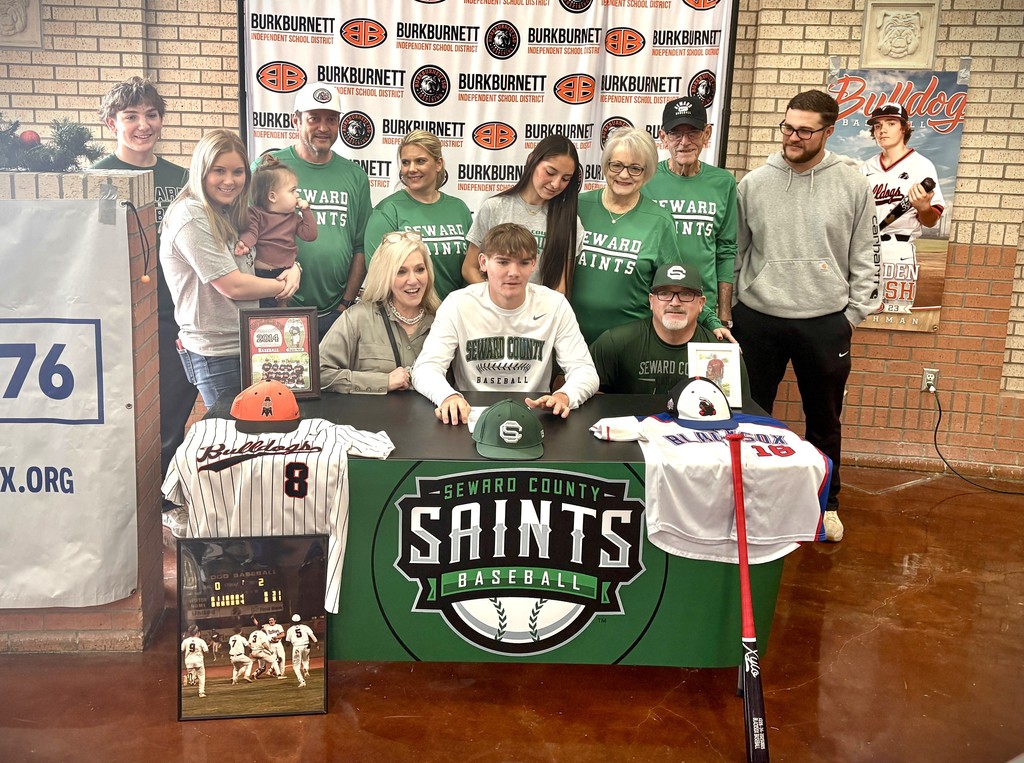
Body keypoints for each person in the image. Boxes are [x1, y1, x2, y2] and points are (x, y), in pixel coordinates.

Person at [732, 89, 880, 543]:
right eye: (787, 127)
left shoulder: (852, 184)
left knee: (824, 420)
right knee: (751, 417)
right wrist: (734, 307)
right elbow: (735, 253)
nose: (792, 137)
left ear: (828, 131)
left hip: (825, 321)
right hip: (758, 318)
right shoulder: (754, 184)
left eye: (804, 131)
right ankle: (749, 501)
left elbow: (865, 254)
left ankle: (825, 505)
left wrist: (851, 315)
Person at [91, 76, 197, 528]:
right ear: (111, 123)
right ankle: (120, 500)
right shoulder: (98, 177)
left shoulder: (181, 179)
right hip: (121, 315)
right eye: (131, 116)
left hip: (175, 313)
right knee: (122, 410)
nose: (143, 125)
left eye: (151, 115)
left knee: (173, 406)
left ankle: (161, 496)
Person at [160, 130, 301, 408]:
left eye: (237, 172)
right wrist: (284, 284)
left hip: (250, 342)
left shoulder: (228, 211)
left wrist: (294, 267)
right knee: (231, 429)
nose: (229, 181)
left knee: (260, 426)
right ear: (201, 170)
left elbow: (265, 257)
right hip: (217, 352)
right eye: (219, 171)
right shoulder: (191, 215)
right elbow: (234, 286)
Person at [414, 223, 598, 425]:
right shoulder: (457, 304)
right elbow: (426, 368)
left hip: (534, 414)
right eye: (503, 262)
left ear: (534, 264)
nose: (513, 272)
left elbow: (584, 371)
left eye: (523, 263)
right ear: (483, 262)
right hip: (470, 413)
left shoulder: (555, 305)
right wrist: (448, 396)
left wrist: (564, 396)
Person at [573, 127, 731, 346]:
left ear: (647, 173)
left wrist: (712, 321)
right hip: (572, 341)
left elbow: (676, 282)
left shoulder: (660, 221)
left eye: (635, 168)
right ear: (605, 165)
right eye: (616, 165)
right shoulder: (578, 206)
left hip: (630, 345)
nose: (624, 174)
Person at [267, 83, 372, 338]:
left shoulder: (355, 176)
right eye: (314, 118)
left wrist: (345, 303)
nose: (323, 128)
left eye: (331, 119)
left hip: (335, 312)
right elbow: (249, 230)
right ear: (296, 121)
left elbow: (360, 246)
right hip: (278, 307)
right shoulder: (269, 167)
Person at [643, 96, 738, 326]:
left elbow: (726, 249)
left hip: (702, 306)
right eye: (675, 134)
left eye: (693, 133)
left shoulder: (723, 182)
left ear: (707, 134)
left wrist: (724, 312)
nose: (684, 142)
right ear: (663, 137)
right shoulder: (646, 180)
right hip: (654, 304)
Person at [591, 262, 750, 397]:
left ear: (701, 303)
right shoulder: (615, 343)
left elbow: (741, 415)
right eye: (664, 293)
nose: (675, 302)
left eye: (686, 294)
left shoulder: (724, 354)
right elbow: (587, 399)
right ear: (651, 301)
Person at [461, 134, 584, 294]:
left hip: (540, 309)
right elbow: (469, 268)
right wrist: (500, 298)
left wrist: (531, 306)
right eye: (550, 172)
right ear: (532, 160)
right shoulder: (495, 207)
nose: (555, 184)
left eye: (565, 179)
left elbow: (562, 286)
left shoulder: (569, 222)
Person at [320, 231, 440, 394]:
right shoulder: (358, 318)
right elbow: (319, 374)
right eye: (401, 271)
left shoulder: (443, 319)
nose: (413, 280)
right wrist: (383, 382)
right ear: (385, 276)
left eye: (419, 269)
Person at [364, 130, 472, 299]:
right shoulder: (387, 211)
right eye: (406, 162)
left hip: (455, 312)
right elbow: (379, 278)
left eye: (420, 161)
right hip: (407, 313)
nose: (411, 169)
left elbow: (471, 269)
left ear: (438, 164)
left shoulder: (459, 209)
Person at [861, 103, 945, 313]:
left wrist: (924, 208)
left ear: (904, 128)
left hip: (898, 251)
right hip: (865, 249)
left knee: (895, 314)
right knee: (860, 312)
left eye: (891, 123)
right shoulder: (866, 167)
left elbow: (931, 220)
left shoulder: (921, 165)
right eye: (878, 126)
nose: (882, 130)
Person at [234, 154, 318, 307]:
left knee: (280, 312)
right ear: (272, 197)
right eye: (292, 191)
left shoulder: (293, 218)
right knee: (262, 311)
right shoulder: (256, 213)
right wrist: (245, 244)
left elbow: (310, 235)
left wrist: (306, 211)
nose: (297, 194)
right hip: (260, 276)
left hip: (285, 274)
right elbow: (252, 232)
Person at [285, 613, 319, 688]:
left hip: (297, 647)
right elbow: (312, 635)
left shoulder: (290, 629)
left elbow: (287, 643)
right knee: (306, 659)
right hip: (306, 645)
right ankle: (306, 668)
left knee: (296, 666)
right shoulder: (305, 627)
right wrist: (317, 644)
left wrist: (288, 644)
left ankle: (302, 681)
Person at [180, 624, 209, 698]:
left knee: (192, 677)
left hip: (189, 661)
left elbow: (181, 650)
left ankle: (189, 678)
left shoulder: (185, 641)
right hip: (198, 661)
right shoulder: (200, 641)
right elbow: (206, 650)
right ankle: (201, 692)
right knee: (201, 676)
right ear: (197, 633)